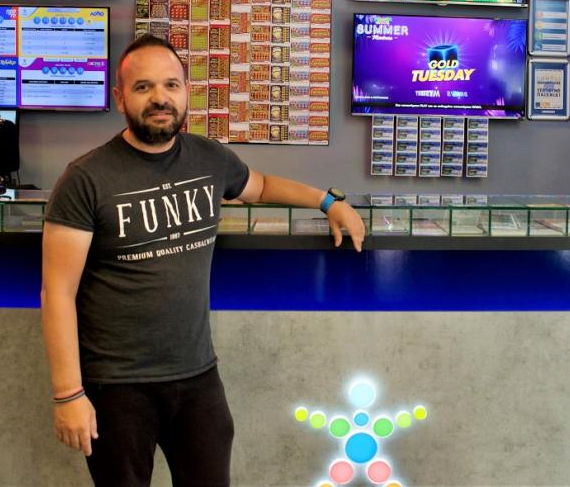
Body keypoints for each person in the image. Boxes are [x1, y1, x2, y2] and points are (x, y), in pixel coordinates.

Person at [40, 34, 365, 486]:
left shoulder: (208, 158)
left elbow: (262, 186)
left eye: (171, 85)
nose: (160, 98)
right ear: (120, 98)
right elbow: (57, 293)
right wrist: (67, 394)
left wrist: (329, 202)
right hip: (115, 386)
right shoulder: (85, 178)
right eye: (143, 87)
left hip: (197, 378)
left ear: (186, 93)